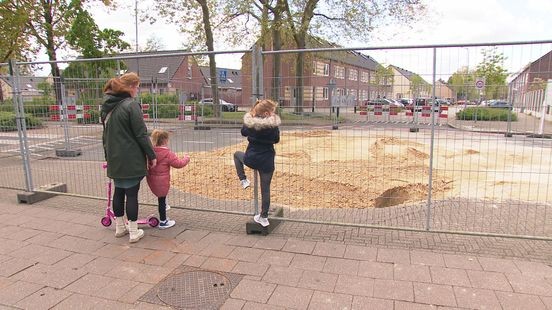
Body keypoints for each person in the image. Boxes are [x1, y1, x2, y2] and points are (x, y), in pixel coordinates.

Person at [101, 72, 156, 243]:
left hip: (114, 158)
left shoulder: (106, 106)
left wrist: (108, 156)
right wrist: (151, 155)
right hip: (131, 158)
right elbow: (141, 134)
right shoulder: (131, 106)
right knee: (132, 194)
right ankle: (133, 231)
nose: (137, 90)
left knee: (119, 192)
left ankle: (119, 228)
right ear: (131, 87)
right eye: (137, 87)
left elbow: (105, 136)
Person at [233, 99, 281, 227]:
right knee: (265, 190)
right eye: (272, 111)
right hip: (267, 162)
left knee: (237, 155)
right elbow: (276, 140)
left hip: (252, 158)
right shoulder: (273, 126)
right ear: (266, 113)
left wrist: (250, 117)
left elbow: (243, 132)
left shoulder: (251, 123)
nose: (273, 114)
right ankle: (264, 217)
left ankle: (243, 180)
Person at [146, 129, 190, 229]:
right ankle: (163, 221)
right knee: (161, 200)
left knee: (161, 198)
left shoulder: (150, 152)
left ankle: (165, 210)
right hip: (162, 181)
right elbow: (179, 164)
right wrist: (186, 158)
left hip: (152, 180)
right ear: (165, 140)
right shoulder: (168, 153)